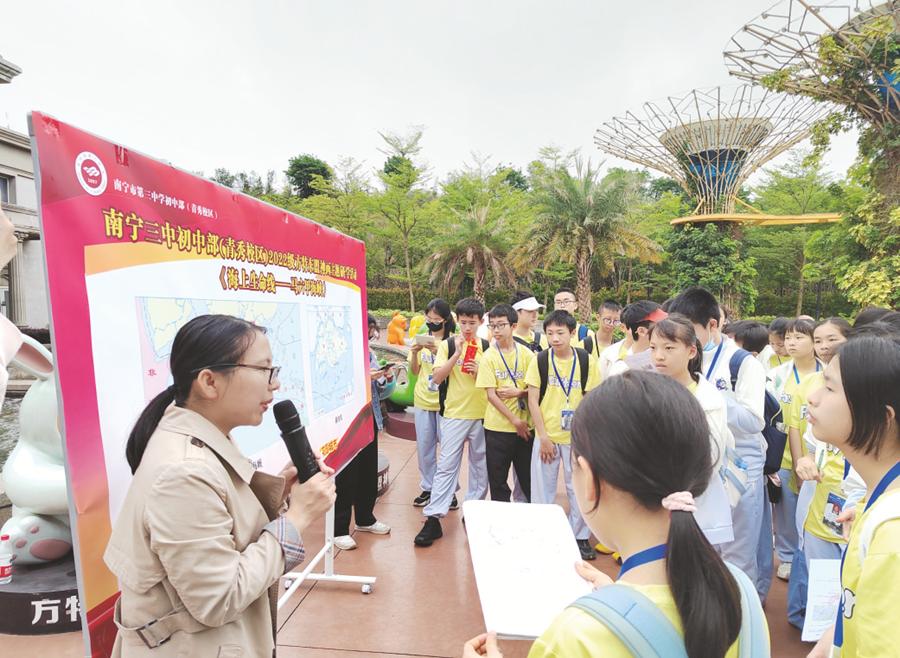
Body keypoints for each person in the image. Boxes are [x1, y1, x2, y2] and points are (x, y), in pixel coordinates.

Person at [463, 371, 769, 658]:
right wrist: (621, 601)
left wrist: (618, 607)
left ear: (589, 479)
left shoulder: (576, 635)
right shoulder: (740, 591)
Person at [104, 315, 336, 657]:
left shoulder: (202, 439)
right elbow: (218, 598)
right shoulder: (182, 473)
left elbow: (225, 526)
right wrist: (298, 519)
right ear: (209, 382)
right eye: (265, 370)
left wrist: (284, 492)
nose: (275, 385)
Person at [668, 287, 770, 600]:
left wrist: (711, 396)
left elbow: (755, 421)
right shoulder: (684, 360)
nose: (685, 340)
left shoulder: (742, 363)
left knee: (739, 550)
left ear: (713, 325)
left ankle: (744, 612)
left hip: (739, 466)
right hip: (701, 465)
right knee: (704, 542)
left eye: (691, 332)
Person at [806, 335, 899, 658]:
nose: (813, 398)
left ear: (882, 418)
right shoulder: (880, 500)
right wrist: (833, 640)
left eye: (829, 388)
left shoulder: (892, 538)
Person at [649, 315, 735, 547]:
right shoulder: (646, 392)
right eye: (653, 348)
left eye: (669, 348)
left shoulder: (708, 400)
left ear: (691, 351)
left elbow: (711, 458)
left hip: (695, 500)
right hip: (652, 499)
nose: (658, 356)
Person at [526, 310, 601, 560]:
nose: (555, 338)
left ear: (572, 333)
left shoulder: (586, 360)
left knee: (577, 487)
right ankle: (543, 535)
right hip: (546, 435)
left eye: (560, 333)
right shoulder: (540, 360)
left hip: (577, 439)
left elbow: (590, 400)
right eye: (549, 333)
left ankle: (579, 537)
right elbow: (533, 400)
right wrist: (543, 436)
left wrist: (584, 437)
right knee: (542, 490)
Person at [415, 298, 489, 547]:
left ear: (481, 321)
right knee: (446, 466)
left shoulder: (487, 346)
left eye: (473, 322)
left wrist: (480, 370)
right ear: (456, 320)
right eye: (464, 322)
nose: (468, 327)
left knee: (480, 467)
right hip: (454, 414)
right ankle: (434, 517)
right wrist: (456, 354)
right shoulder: (447, 345)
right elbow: (435, 377)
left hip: (482, 415)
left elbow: (494, 384)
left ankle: (473, 513)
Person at [333, 313, 392, 550]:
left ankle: (366, 518)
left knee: (368, 471)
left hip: (369, 418)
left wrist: (383, 377)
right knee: (347, 475)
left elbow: (380, 387)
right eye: (366, 329)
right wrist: (364, 378)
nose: (370, 333)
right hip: (348, 422)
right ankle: (339, 529)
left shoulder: (370, 353)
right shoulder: (339, 353)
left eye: (371, 329)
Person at [476, 304, 535, 502]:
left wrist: (519, 393)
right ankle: (500, 523)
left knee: (528, 479)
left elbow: (536, 390)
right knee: (498, 480)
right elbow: (491, 395)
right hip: (497, 429)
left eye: (501, 325)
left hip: (526, 428)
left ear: (514, 326)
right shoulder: (488, 357)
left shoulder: (527, 355)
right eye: (493, 326)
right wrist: (514, 421)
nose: (496, 330)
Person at [408, 298, 455, 508]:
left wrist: (440, 354)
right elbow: (415, 371)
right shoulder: (421, 339)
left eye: (436, 319)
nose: (432, 322)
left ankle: (448, 491)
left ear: (445, 320)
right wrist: (416, 353)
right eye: (429, 318)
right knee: (425, 447)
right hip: (423, 399)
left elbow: (456, 373)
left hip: (447, 403)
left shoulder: (452, 342)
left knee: (448, 450)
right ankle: (428, 488)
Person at [606, 300, 667, 377]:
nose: (668, 328)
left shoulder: (671, 357)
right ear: (641, 331)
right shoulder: (622, 369)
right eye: (661, 325)